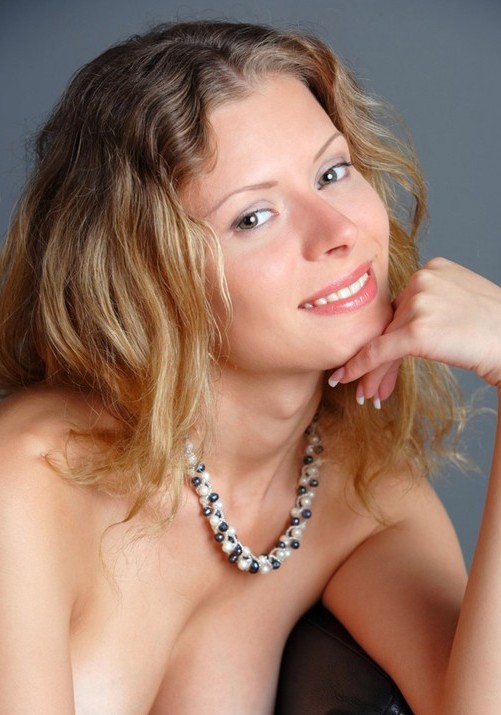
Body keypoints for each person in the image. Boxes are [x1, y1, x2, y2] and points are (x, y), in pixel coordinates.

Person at [0, 19, 500, 715]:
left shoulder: (362, 491)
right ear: (146, 276)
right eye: (254, 217)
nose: (339, 232)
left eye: (332, 173)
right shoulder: (29, 479)